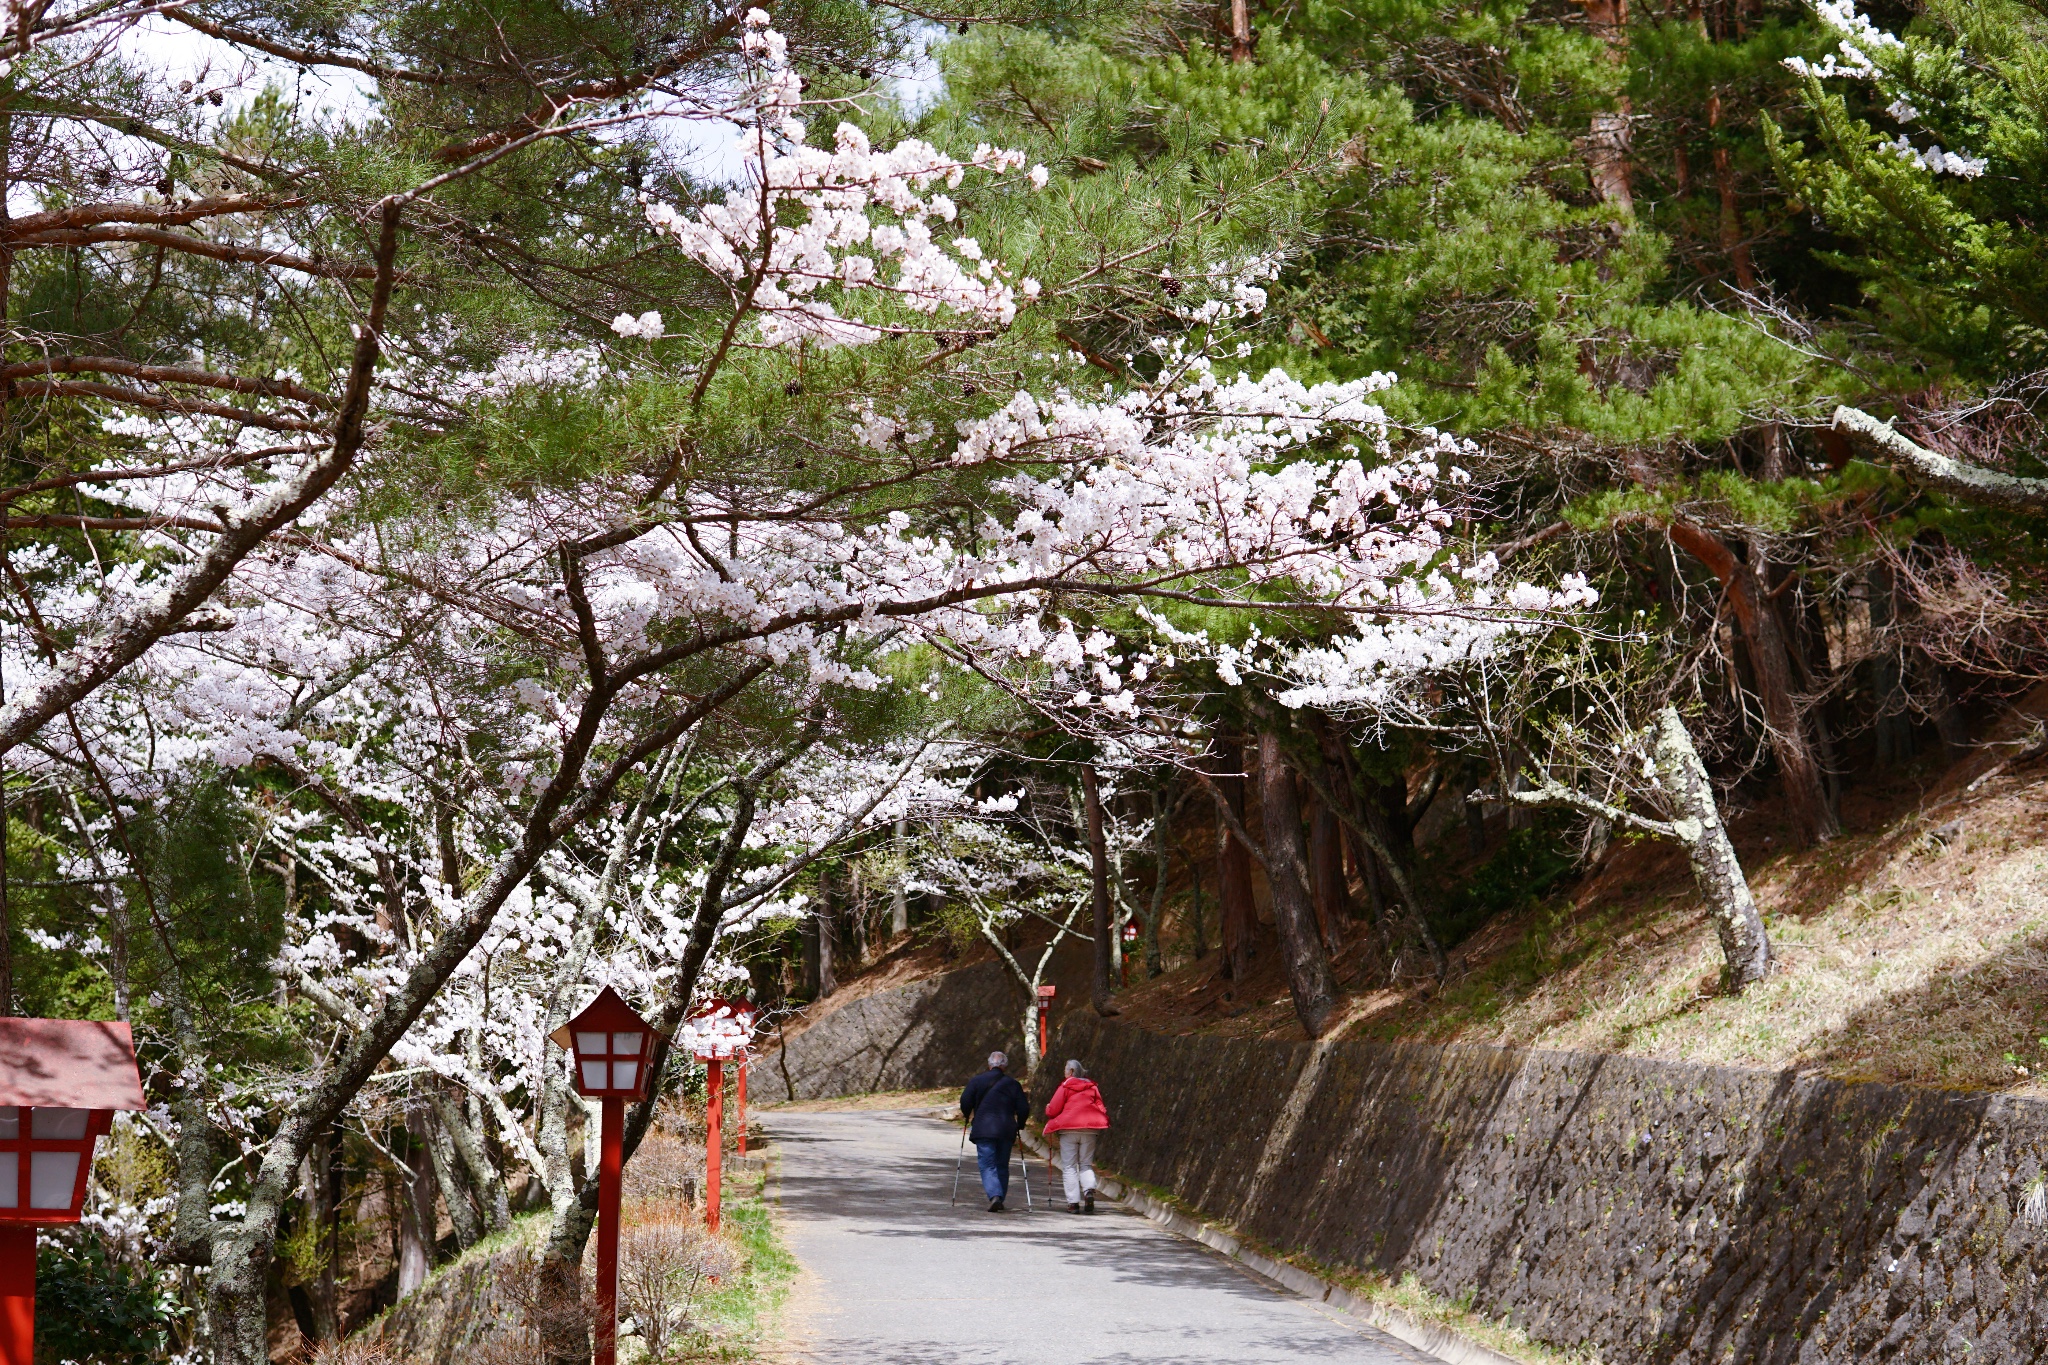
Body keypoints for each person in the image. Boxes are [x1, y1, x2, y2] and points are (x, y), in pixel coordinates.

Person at [960, 1050, 1031, 1212]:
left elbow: (965, 1101)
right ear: (1004, 1066)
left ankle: (995, 1196)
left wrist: (967, 1114)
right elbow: (1023, 1108)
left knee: (987, 1164)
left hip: (984, 1128)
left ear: (989, 1065)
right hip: (1006, 1129)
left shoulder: (977, 1081)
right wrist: (1020, 1124)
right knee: (1002, 1165)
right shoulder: (1013, 1084)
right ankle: (999, 1197)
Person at [1042, 1058, 1109, 1214]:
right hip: (1090, 1130)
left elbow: (1053, 1110)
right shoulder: (1092, 1087)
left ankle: (1073, 1203)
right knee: (1085, 1163)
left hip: (1069, 1130)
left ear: (1071, 1072)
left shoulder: (1065, 1086)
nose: (1064, 1072)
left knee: (1069, 1166)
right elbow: (1101, 1108)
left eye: (1065, 1069)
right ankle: (1088, 1191)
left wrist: (1048, 1109)